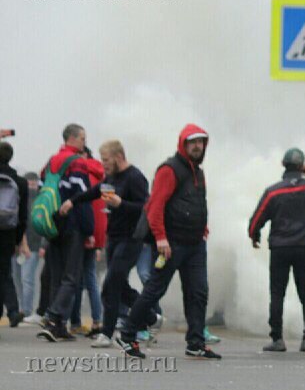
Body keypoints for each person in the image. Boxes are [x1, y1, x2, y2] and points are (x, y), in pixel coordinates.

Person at [117, 124, 220, 360]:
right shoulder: (169, 169)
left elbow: (196, 203)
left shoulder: (198, 171)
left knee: (198, 292)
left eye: (201, 142)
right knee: (154, 290)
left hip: (195, 244)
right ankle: (127, 335)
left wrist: (202, 227)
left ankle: (196, 342)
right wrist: (161, 237)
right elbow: (156, 206)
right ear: (183, 144)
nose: (197, 146)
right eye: (192, 142)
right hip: (171, 245)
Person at [60, 140, 150, 348]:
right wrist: (73, 201)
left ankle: (107, 333)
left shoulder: (135, 177)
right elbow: (96, 191)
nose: (103, 164)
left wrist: (121, 204)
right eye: (102, 160)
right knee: (119, 285)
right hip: (114, 237)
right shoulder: (111, 177)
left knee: (109, 286)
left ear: (119, 157)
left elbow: (145, 208)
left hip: (131, 238)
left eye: (106, 160)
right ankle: (151, 316)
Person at [249, 147, 305, 353]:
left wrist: (255, 235)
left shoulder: (274, 191)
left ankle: (277, 339)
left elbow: (256, 219)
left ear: (283, 165)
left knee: (277, 293)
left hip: (280, 249)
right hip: (303, 247)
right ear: (302, 166)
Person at [37, 124, 94, 342]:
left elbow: (43, 189)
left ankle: (58, 327)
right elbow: (83, 196)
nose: (84, 143)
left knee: (56, 277)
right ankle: (53, 318)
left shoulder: (51, 161)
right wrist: (88, 230)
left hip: (52, 225)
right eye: (82, 138)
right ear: (72, 138)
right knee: (72, 277)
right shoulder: (77, 162)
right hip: (72, 225)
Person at [68, 147, 105, 336]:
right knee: (90, 277)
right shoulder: (101, 174)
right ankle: (97, 320)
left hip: (84, 229)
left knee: (75, 277)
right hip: (98, 232)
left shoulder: (81, 175)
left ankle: (74, 321)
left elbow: (82, 204)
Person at [0, 141, 28, 333]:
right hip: (8, 233)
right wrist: (18, 240)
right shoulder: (20, 181)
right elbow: (23, 215)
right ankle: (12, 311)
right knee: (4, 273)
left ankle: (11, 311)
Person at [19, 173, 45, 323]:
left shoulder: (38, 200)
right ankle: (23, 308)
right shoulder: (23, 198)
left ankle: (26, 310)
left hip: (32, 245)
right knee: (21, 280)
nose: (31, 185)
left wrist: (42, 245)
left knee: (27, 279)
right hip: (21, 245)